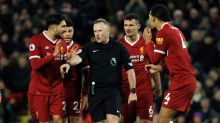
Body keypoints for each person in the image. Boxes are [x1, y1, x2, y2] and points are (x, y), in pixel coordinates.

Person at [60, 18, 137, 123]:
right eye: (95, 31)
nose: (97, 34)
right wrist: (69, 63)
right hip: (95, 92)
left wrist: (133, 91)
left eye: (100, 31)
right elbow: (78, 58)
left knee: (112, 120)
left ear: (108, 31)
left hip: (113, 92)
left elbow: (130, 70)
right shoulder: (89, 47)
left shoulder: (119, 48)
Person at [143, 4, 196, 123]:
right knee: (168, 120)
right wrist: (159, 68)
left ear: (154, 18)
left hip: (181, 82)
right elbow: (177, 58)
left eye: (149, 16)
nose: (148, 20)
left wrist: (148, 42)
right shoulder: (176, 30)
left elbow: (154, 58)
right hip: (187, 81)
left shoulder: (163, 33)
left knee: (162, 119)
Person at [119, 13, 161, 123]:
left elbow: (154, 67)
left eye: (131, 25)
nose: (128, 28)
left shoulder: (147, 43)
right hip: (126, 91)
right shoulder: (118, 45)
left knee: (146, 121)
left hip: (144, 91)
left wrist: (158, 87)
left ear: (138, 26)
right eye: (126, 25)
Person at [28, 13, 67, 123]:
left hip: (57, 89)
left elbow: (62, 63)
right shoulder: (36, 40)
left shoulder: (62, 43)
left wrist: (65, 66)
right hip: (40, 91)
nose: (65, 29)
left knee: (59, 120)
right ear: (54, 28)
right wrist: (53, 55)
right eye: (63, 26)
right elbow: (35, 64)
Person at [62, 19, 90, 123]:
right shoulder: (54, 48)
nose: (67, 34)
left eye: (70, 31)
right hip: (58, 91)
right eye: (64, 31)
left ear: (74, 31)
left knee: (76, 120)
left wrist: (86, 93)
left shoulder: (80, 49)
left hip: (75, 91)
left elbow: (87, 73)